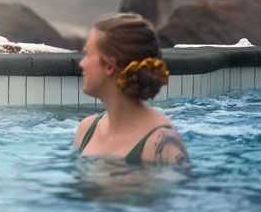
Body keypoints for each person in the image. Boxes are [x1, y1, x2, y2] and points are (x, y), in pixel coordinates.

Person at [74, 12, 188, 166]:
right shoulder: (87, 130)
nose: (81, 63)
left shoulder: (161, 144)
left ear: (110, 66)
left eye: (87, 53)